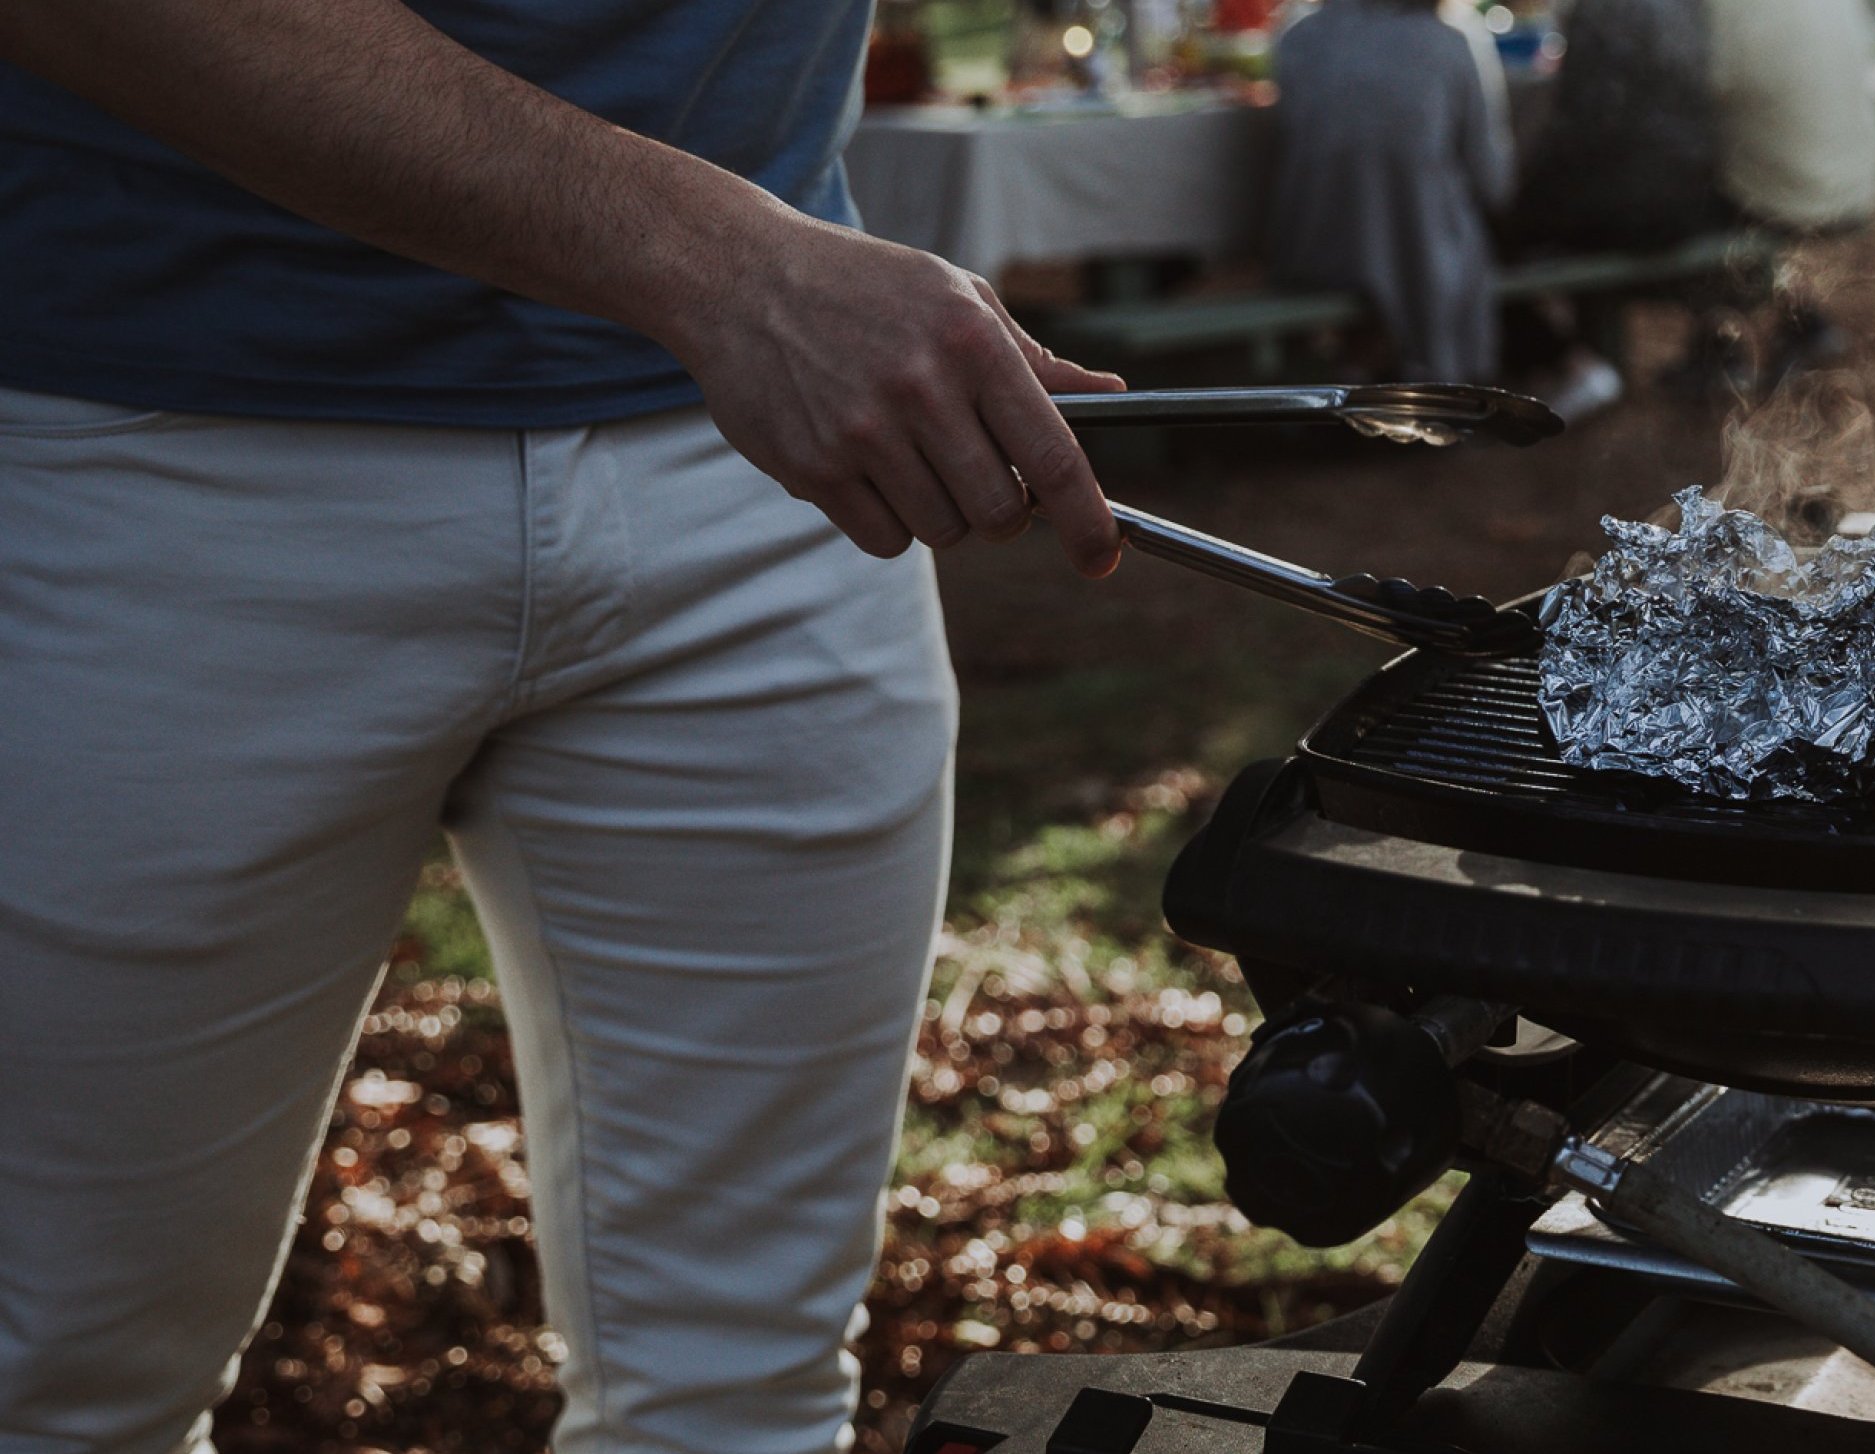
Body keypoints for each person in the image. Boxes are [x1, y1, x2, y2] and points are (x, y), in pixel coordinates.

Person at [0, 1, 1133, 1449]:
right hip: (149, 435)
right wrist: (721, 262)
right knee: (63, 1391)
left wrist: (751, 279)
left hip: (758, 465)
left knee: (746, 1398)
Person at [1504, 0, 1875, 394]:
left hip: (1784, 188)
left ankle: (1721, 346)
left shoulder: (1714, 9)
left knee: (1676, 196)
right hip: (1857, 174)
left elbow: (1686, 89)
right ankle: (1789, 325)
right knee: (1703, 172)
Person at [1263, 0, 1514, 384]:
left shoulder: (1298, 37)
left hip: (1313, 248)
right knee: (1460, 229)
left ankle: (1366, 360)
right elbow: (1493, 181)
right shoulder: (1451, 41)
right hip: (1421, 259)